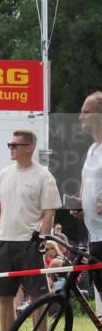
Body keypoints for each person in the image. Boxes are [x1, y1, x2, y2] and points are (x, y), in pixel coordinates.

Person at [0, 129, 62, 331]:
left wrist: (41, 241)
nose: (11, 148)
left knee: (37, 298)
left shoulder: (43, 176)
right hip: (4, 243)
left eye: (15, 145)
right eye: (9, 145)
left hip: (30, 244)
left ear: (29, 148)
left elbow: (49, 213)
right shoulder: (3, 174)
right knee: (5, 297)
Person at [76, 91, 102, 299]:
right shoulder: (92, 149)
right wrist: (80, 203)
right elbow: (87, 186)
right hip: (95, 237)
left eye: (86, 112)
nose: (80, 116)